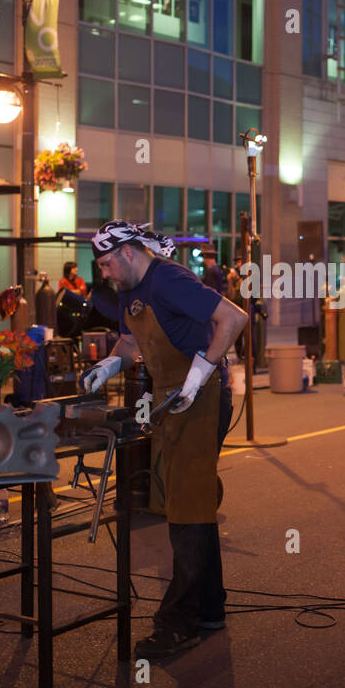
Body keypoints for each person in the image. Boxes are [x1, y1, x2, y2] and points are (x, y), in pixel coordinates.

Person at [81, 220, 247, 660]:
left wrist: (199, 373)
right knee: (187, 503)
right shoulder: (129, 289)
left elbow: (233, 318)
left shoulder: (169, 278)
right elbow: (131, 339)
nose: (105, 274)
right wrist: (112, 365)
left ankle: (179, 624)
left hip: (202, 396)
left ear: (130, 252)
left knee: (187, 510)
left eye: (107, 263)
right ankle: (209, 608)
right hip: (170, 400)